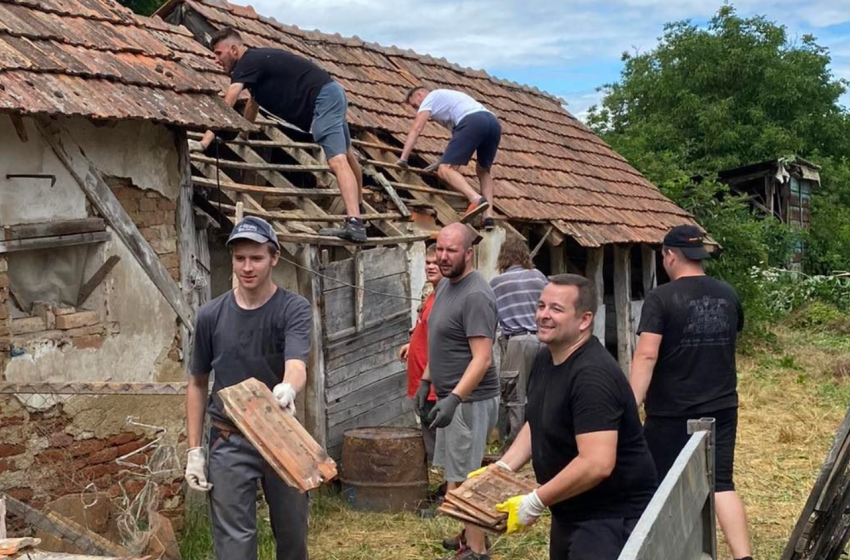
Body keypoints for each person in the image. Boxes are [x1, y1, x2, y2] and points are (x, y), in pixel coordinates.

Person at [496, 274, 657, 560]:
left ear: (584, 320)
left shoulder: (592, 377)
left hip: (610, 519)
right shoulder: (547, 357)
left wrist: (535, 501)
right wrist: (502, 469)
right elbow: (539, 422)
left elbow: (596, 463)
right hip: (570, 508)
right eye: (541, 306)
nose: (543, 315)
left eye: (556, 309)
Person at [184, 216, 312, 560]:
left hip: (281, 432)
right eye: (240, 258)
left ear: (274, 257)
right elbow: (197, 383)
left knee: (293, 535)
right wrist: (194, 451)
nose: (247, 267)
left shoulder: (293, 309)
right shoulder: (210, 315)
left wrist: (287, 388)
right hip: (229, 438)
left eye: (256, 258)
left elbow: (297, 363)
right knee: (234, 545)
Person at [630, 225, 753, 560]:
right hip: (723, 407)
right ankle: (744, 557)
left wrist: (630, 405)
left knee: (654, 487)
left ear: (670, 255)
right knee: (721, 483)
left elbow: (646, 354)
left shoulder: (661, 298)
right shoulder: (727, 293)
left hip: (672, 413)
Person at [192, 27, 366, 243]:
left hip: (321, 99)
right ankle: (358, 211)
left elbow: (230, 98)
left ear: (234, 50)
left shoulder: (246, 62)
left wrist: (205, 141)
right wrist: (245, 135)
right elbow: (252, 104)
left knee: (337, 161)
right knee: (348, 156)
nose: (216, 60)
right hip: (331, 93)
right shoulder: (257, 66)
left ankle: (355, 223)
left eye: (218, 53)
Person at [413, 223, 499, 560]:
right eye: (439, 249)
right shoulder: (447, 286)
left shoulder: (475, 294)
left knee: (464, 478)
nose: (442, 257)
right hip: (450, 394)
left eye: (451, 251)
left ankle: (475, 551)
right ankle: (468, 532)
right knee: (455, 469)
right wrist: (425, 381)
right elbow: (442, 342)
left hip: (470, 399)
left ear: (468, 253)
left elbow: (482, 358)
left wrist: (454, 398)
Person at [398, 87, 502, 229]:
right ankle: (488, 217)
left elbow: (416, 128)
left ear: (420, 94)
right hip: (493, 123)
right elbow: (457, 158)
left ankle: (476, 198)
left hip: (473, 121)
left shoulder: (431, 97)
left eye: (416, 105)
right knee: (483, 171)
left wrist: (403, 159)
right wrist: (446, 162)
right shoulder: (449, 102)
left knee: (443, 170)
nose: (417, 110)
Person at [489, 236, 546, 445]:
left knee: (515, 397)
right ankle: (541, 440)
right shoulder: (538, 277)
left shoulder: (496, 283)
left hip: (516, 341)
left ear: (503, 258)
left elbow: (491, 317)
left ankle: (515, 445)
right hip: (543, 340)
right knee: (541, 392)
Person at [398, 244, 442, 462]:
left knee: (435, 429)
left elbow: (443, 341)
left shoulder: (445, 299)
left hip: (432, 381)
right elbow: (424, 327)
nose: (431, 267)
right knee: (426, 425)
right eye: (428, 262)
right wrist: (412, 343)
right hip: (419, 375)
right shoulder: (431, 296)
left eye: (436, 263)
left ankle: (443, 479)